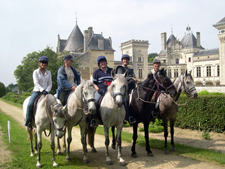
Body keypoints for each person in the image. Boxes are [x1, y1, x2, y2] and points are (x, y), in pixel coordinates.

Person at [25, 56, 52, 130]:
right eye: (42, 62)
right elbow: (36, 83)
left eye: (45, 62)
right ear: (39, 63)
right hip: (37, 91)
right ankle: (29, 122)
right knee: (30, 104)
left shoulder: (48, 73)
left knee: (55, 103)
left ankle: (54, 122)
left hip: (46, 92)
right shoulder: (35, 72)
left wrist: (47, 90)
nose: (43, 64)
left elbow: (50, 84)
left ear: (47, 64)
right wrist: (42, 90)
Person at [90, 55, 113, 127]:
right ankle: (94, 119)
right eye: (101, 62)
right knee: (95, 101)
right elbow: (94, 83)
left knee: (120, 100)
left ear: (106, 62)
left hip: (111, 91)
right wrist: (98, 89)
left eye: (104, 61)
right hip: (101, 90)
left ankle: (122, 118)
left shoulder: (112, 70)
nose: (103, 63)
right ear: (99, 64)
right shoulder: (96, 72)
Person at [115, 54, 137, 125]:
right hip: (123, 89)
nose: (126, 60)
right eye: (124, 59)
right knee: (125, 100)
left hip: (131, 88)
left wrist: (133, 78)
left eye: (127, 59)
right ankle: (127, 117)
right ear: (122, 60)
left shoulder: (130, 69)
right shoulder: (119, 68)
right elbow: (120, 78)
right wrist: (131, 78)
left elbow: (135, 78)